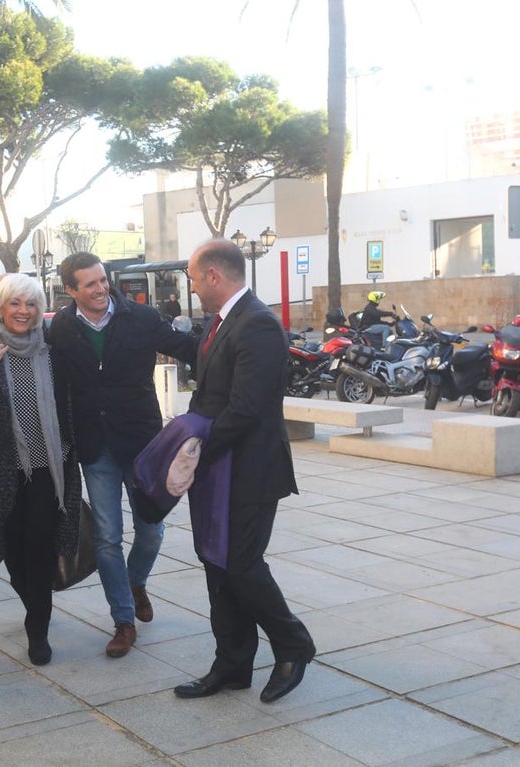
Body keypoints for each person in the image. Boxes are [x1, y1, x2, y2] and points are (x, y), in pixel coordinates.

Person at [173, 238, 315, 704]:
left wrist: (194, 447)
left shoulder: (256, 324)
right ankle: (232, 664)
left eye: (194, 279)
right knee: (218, 566)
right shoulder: (222, 322)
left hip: (250, 470)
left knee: (240, 566)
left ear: (213, 275)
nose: (192, 289)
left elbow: (246, 409)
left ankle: (293, 643)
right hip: (220, 470)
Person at [47, 252, 197, 658]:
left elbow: (189, 349)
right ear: (71, 290)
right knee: (107, 537)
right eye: (89, 284)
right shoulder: (60, 328)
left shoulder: (142, 318)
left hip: (144, 445)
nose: (100, 289)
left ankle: (136, 580)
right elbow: (26, 349)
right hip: (95, 448)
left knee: (152, 529)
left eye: (102, 280)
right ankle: (124, 621)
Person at [0, 274, 82, 666]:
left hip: (51, 468)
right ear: (1, 306)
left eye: (31, 304)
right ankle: (35, 605)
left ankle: (38, 629)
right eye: (15, 303)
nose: (23, 312)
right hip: (1, 468)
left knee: (40, 547)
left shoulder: (53, 348)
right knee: (10, 545)